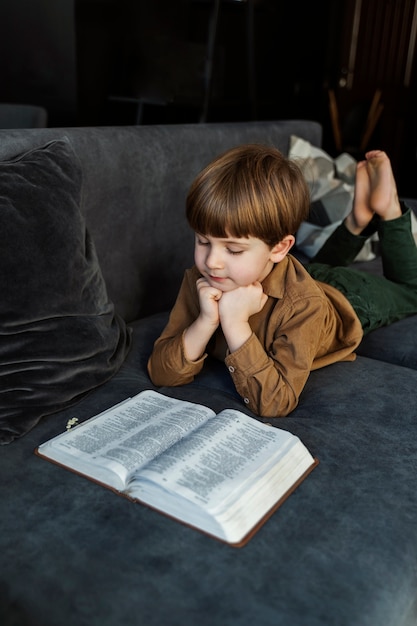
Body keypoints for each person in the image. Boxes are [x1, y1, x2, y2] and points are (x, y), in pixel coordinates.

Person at [147, 145, 417, 417]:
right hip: (305, 274)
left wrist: (235, 324)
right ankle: (357, 221)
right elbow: (161, 373)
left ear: (278, 248)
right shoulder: (200, 278)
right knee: (317, 269)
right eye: (203, 241)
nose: (211, 262)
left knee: (412, 291)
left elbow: (276, 402)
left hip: (348, 297)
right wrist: (205, 322)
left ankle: (389, 209)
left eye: (234, 250)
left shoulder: (304, 305)